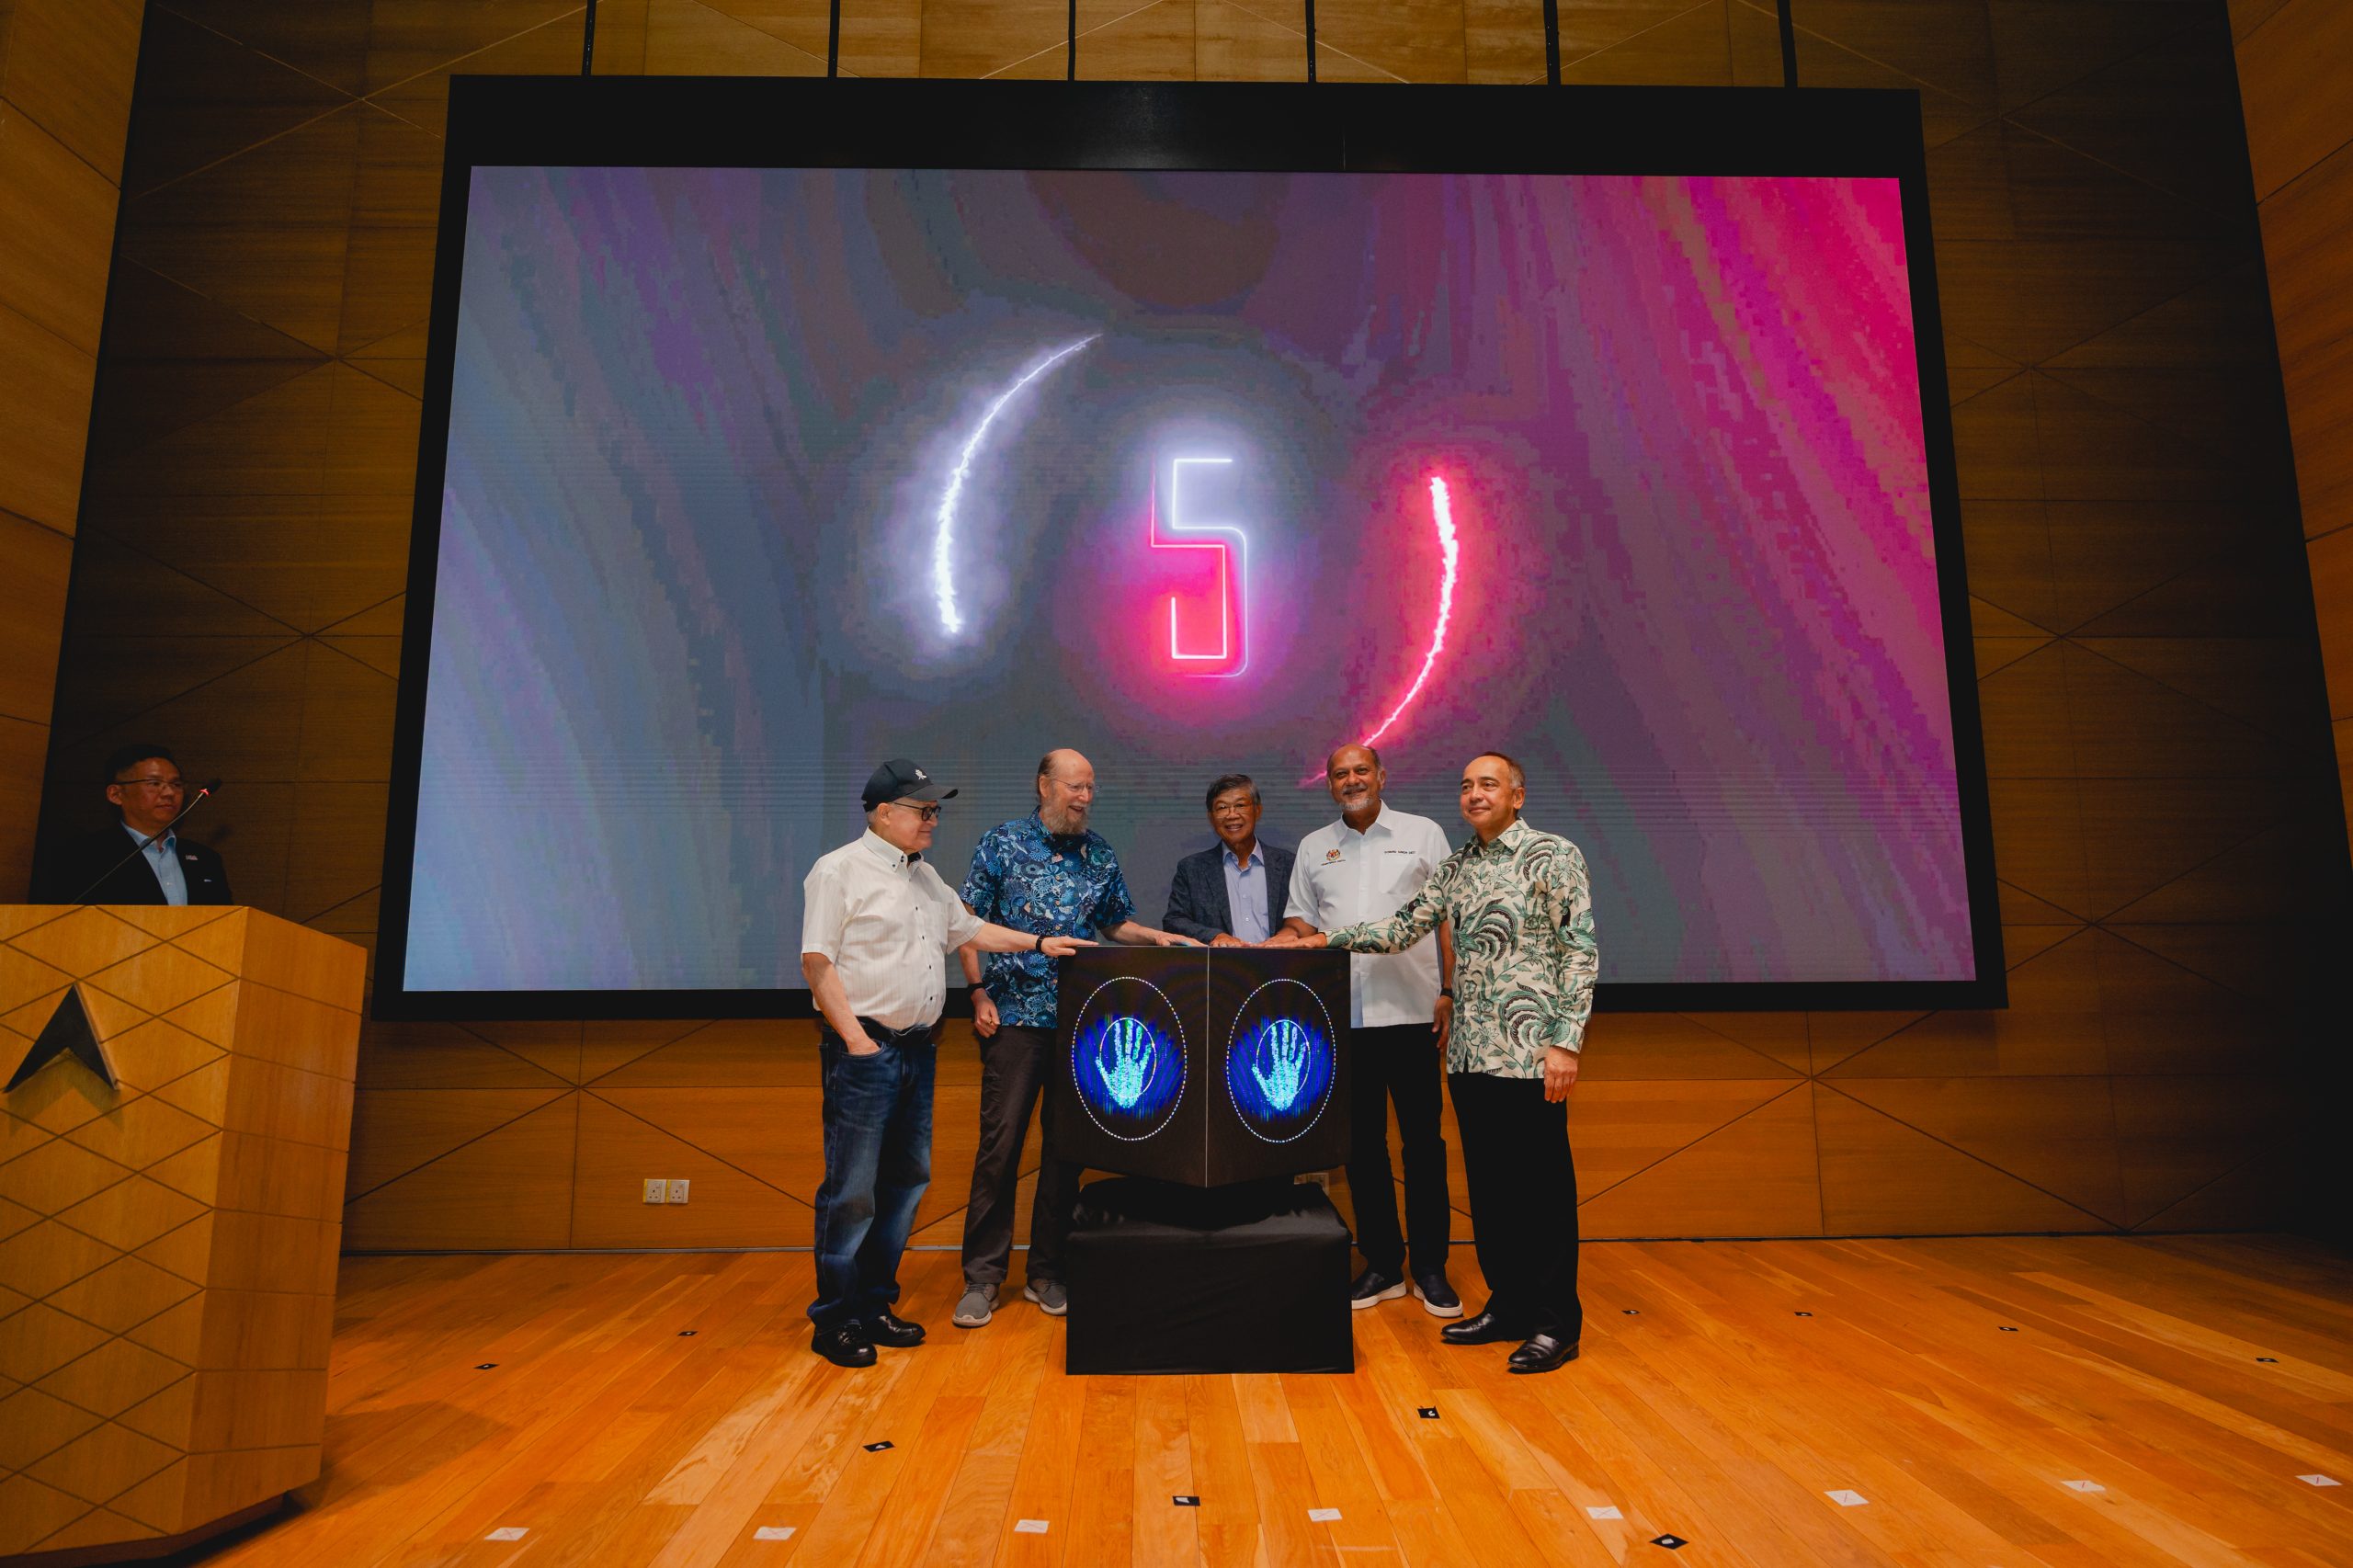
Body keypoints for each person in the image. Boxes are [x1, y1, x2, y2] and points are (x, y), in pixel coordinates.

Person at [1270, 752, 1596, 1375]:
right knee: (1492, 1190)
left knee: (1542, 1191)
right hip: (1470, 1052)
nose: (1475, 794)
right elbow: (1401, 929)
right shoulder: (1457, 866)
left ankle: (1555, 1324)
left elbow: (1579, 950)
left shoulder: (1554, 855)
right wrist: (1321, 940)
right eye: (1467, 785)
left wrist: (1567, 1041)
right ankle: (1509, 1305)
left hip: (1532, 1054)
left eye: (1489, 784)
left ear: (1517, 796)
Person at [800, 757, 1092, 1369]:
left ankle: (874, 1305)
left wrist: (1040, 943)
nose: (933, 820)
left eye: (936, 810)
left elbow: (972, 931)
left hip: (918, 1049)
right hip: (866, 1050)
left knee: (905, 1185)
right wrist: (856, 1041)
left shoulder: (926, 878)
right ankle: (836, 1320)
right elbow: (817, 962)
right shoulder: (838, 871)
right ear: (884, 813)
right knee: (852, 1191)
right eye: (923, 810)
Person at [951, 747, 1198, 1328]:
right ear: (1044, 786)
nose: (1085, 798)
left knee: (1067, 1153)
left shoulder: (1099, 852)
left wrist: (1153, 938)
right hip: (1014, 1020)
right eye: (1075, 787)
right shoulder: (1001, 843)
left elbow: (1114, 923)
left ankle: (1047, 1270)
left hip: (1084, 1024)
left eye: (1090, 789)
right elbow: (965, 925)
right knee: (1000, 1150)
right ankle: (982, 1277)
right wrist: (977, 992)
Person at [1273, 744, 1460, 1318]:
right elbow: (1301, 919)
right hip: (1344, 1018)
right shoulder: (1314, 846)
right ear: (1329, 784)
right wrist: (1273, 943)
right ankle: (1382, 1264)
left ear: (1381, 776)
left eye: (1360, 771)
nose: (1351, 780)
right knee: (1362, 1149)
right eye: (1340, 774)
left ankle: (1430, 1267)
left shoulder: (1424, 834)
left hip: (1413, 1015)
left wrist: (1450, 990)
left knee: (1423, 1146)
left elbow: (1448, 920)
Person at [40, 744, 233, 905]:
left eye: (176, 784)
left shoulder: (206, 859)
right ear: (116, 794)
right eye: (154, 783)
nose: (169, 793)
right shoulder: (82, 855)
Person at [1163, 773, 1293, 947]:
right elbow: (1174, 921)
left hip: (1278, 962)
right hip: (1219, 962)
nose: (1232, 815)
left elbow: (1307, 919)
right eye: (1222, 807)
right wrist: (1214, 936)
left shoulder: (1288, 864)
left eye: (1240, 805)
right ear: (1211, 817)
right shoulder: (1191, 869)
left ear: (1257, 810)